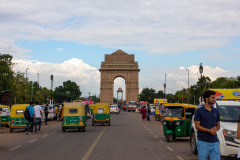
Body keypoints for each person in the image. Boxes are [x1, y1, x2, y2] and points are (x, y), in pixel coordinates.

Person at [194, 90, 220, 160]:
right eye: (212, 98)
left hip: (215, 142)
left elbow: (218, 125)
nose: (214, 99)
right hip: (203, 142)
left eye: (215, 98)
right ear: (206, 98)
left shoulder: (216, 111)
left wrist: (216, 129)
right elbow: (197, 126)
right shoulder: (198, 111)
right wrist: (209, 131)